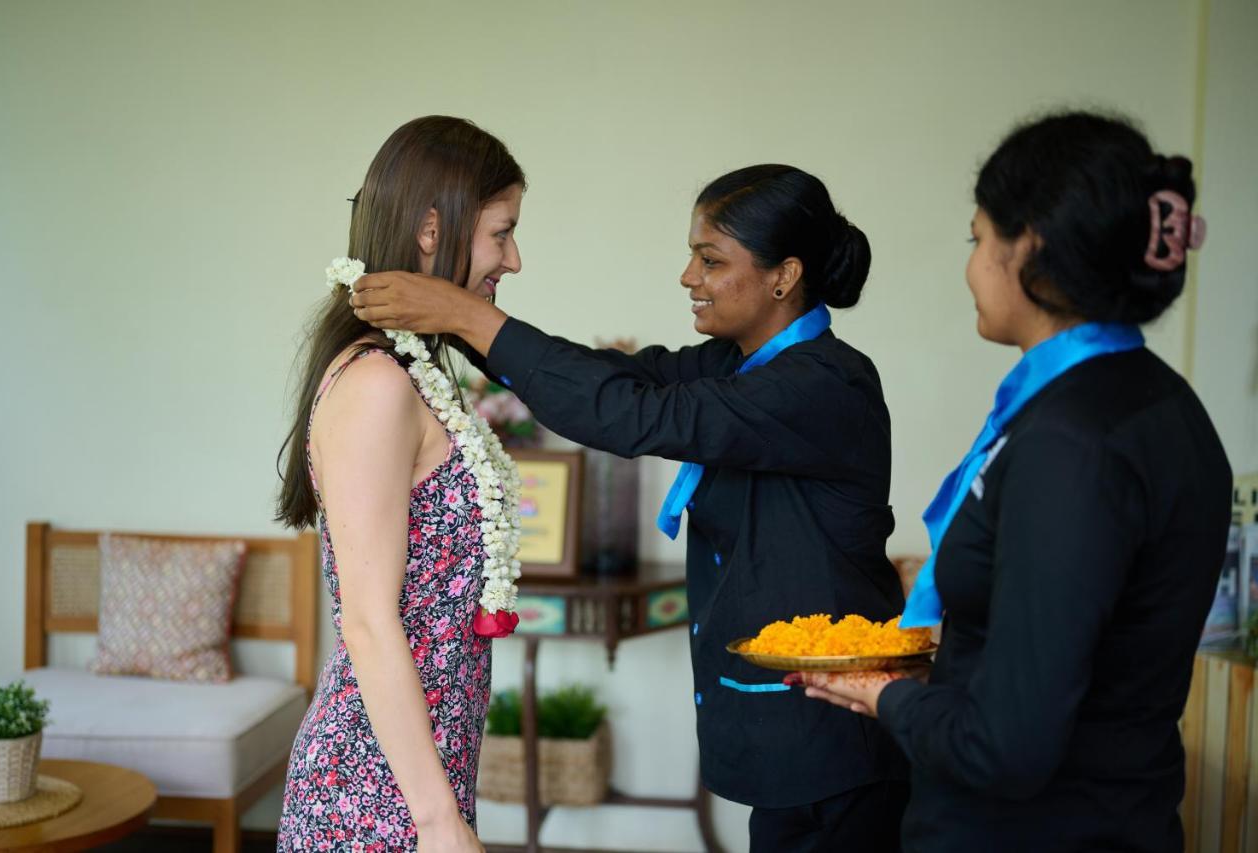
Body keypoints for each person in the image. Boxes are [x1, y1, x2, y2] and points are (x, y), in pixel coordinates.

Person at [351, 164, 910, 851]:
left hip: (836, 739)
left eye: (710, 259)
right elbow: (617, 378)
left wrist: (464, 312)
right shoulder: (733, 365)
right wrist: (458, 314)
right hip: (799, 741)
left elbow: (630, 414)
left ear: (783, 275)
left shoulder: (825, 383)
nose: (688, 276)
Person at [799, 111, 1232, 852]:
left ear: (1027, 245)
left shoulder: (1073, 441)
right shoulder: (1157, 403)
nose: (970, 264)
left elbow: (1004, 747)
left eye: (977, 237)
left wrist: (886, 694)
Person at [274, 115, 527, 852]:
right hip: (373, 790)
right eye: (501, 232)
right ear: (430, 230)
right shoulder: (378, 382)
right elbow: (368, 620)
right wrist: (438, 821)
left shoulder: (414, 369)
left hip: (420, 773)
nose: (513, 259)